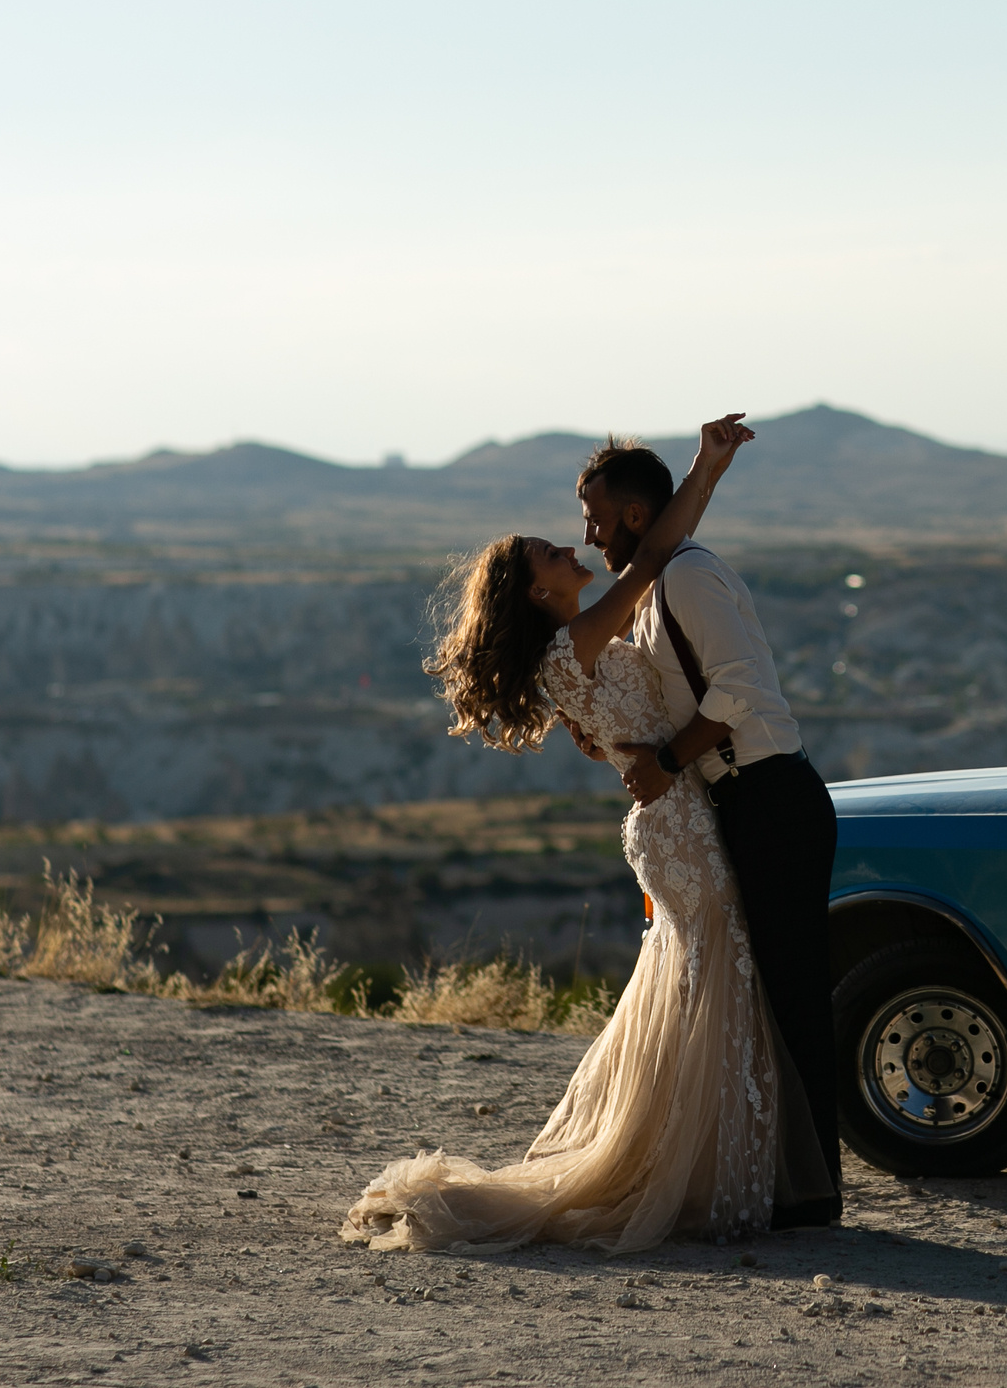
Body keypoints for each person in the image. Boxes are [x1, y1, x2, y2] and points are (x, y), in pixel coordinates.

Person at [339, 412, 832, 1255]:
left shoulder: (577, 646)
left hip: (677, 817)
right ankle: (730, 1171)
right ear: (538, 593)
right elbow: (651, 556)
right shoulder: (577, 641)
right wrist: (705, 472)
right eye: (553, 552)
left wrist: (704, 475)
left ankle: (726, 1164)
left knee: (704, 985)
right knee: (718, 982)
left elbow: (653, 567)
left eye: (580, 529)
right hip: (679, 820)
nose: (575, 545)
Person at [575, 438, 844, 1231]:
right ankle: (787, 1180)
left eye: (595, 518)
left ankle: (815, 1193)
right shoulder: (656, 584)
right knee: (766, 992)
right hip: (742, 800)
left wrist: (664, 763)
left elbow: (739, 688)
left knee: (792, 992)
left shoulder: (687, 577)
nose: (589, 535)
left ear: (635, 515)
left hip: (772, 796)